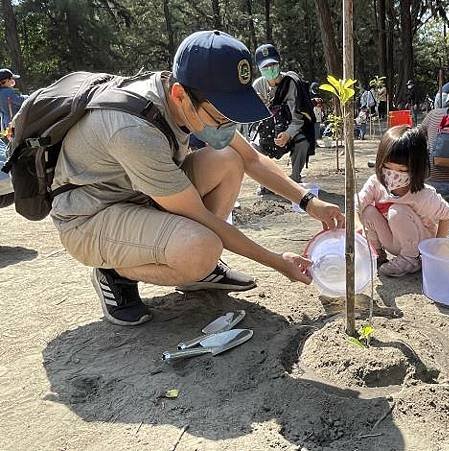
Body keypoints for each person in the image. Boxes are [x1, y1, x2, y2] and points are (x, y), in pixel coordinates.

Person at [50, 31, 345, 326]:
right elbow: (200, 216)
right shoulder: (133, 130)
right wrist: (278, 262)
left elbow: (251, 158)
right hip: (91, 217)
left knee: (230, 159)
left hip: (141, 195)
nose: (228, 126)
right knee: (201, 247)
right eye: (222, 117)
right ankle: (114, 271)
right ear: (179, 95)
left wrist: (309, 202)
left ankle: (196, 271)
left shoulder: (186, 95)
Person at [358, 126, 449, 277]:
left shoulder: (423, 195)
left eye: (402, 170)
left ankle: (411, 260)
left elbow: (447, 215)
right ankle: (376, 253)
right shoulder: (375, 184)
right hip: (394, 242)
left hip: (418, 245)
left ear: (417, 168)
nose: (393, 175)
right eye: (387, 167)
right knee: (368, 211)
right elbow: (358, 204)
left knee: (397, 211)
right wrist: (355, 228)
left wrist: (436, 248)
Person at [252, 43, 314, 185]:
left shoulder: (291, 83)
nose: (269, 69)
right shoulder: (257, 86)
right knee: (253, 148)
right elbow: (253, 120)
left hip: (287, 128)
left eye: (273, 65)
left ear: (279, 63)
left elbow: (297, 117)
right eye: (265, 67)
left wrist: (288, 134)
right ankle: (265, 183)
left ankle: (295, 178)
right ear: (259, 68)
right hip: (266, 132)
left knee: (303, 142)